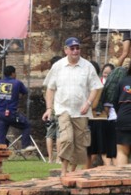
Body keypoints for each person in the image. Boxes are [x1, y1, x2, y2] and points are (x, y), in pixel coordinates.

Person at [42, 37, 103, 176]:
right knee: (67, 139)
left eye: (77, 48)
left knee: (79, 144)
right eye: (72, 48)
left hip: (81, 111)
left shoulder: (87, 66)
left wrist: (88, 103)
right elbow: (50, 89)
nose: (75, 51)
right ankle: (63, 171)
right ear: (66, 50)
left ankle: (72, 171)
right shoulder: (58, 66)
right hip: (63, 109)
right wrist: (49, 109)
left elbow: (95, 87)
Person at [0, 66, 33, 151]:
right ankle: (26, 145)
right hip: (11, 113)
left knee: (0, 136)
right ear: (12, 73)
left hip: (0, 113)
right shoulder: (17, 83)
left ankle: (0, 152)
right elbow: (25, 92)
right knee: (26, 125)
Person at [44, 56, 63, 163]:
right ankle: (58, 158)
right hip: (59, 107)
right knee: (59, 133)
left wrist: (49, 107)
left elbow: (46, 93)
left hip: (50, 108)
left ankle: (50, 158)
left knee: (50, 134)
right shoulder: (61, 75)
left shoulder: (49, 76)